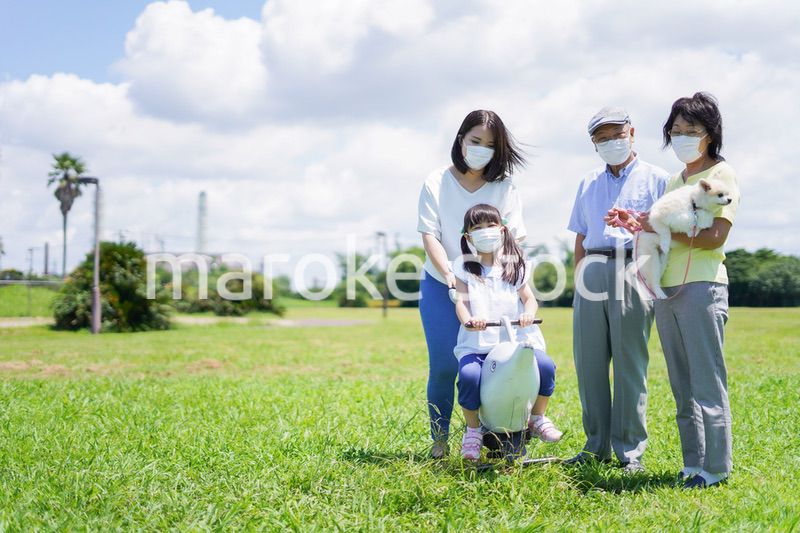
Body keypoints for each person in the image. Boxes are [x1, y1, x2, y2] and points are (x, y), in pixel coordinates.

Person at [637, 92, 740, 488]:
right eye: (675, 131)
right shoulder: (673, 181)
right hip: (668, 287)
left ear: (710, 134)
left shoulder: (722, 175)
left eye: (690, 131)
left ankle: (716, 469)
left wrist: (662, 230)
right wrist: (641, 225)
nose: (681, 138)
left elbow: (713, 237)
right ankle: (692, 464)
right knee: (681, 382)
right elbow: (662, 231)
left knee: (707, 379)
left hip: (701, 286)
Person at [417, 110, 528, 458]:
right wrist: (451, 275)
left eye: (490, 145)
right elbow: (430, 235)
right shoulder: (437, 181)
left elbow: (515, 239)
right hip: (441, 283)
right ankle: (440, 440)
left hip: (492, 287)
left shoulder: (505, 186)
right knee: (446, 365)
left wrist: (512, 281)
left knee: (496, 360)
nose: (481, 150)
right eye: (475, 141)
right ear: (461, 140)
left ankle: (492, 437)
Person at [566, 107, 669, 472]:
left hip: (634, 268)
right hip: (592, 270)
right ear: (594, 143)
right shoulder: (588, 183)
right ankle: (595, 446)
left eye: (617, 133)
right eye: (602, 137)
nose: (611, 141)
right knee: (589, 364)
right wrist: (580, 277)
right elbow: (580, 234)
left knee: (630, 364)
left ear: (632, 132)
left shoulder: (658, 179)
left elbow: (666, 235)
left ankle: (629, 452)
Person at [451, 203, 561, 460]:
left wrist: (528, 314)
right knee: (469, 375)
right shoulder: (465, 267)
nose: (485, 231)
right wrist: (469, 320)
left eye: (490, 225)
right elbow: (461, 302)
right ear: (468, 237)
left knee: (545, 366)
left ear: (501, 229)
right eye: (477, 228)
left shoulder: (516, 264)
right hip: (479, 343)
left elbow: (529, 298)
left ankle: (537, 417)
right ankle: (474, 430)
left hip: (517, 339)